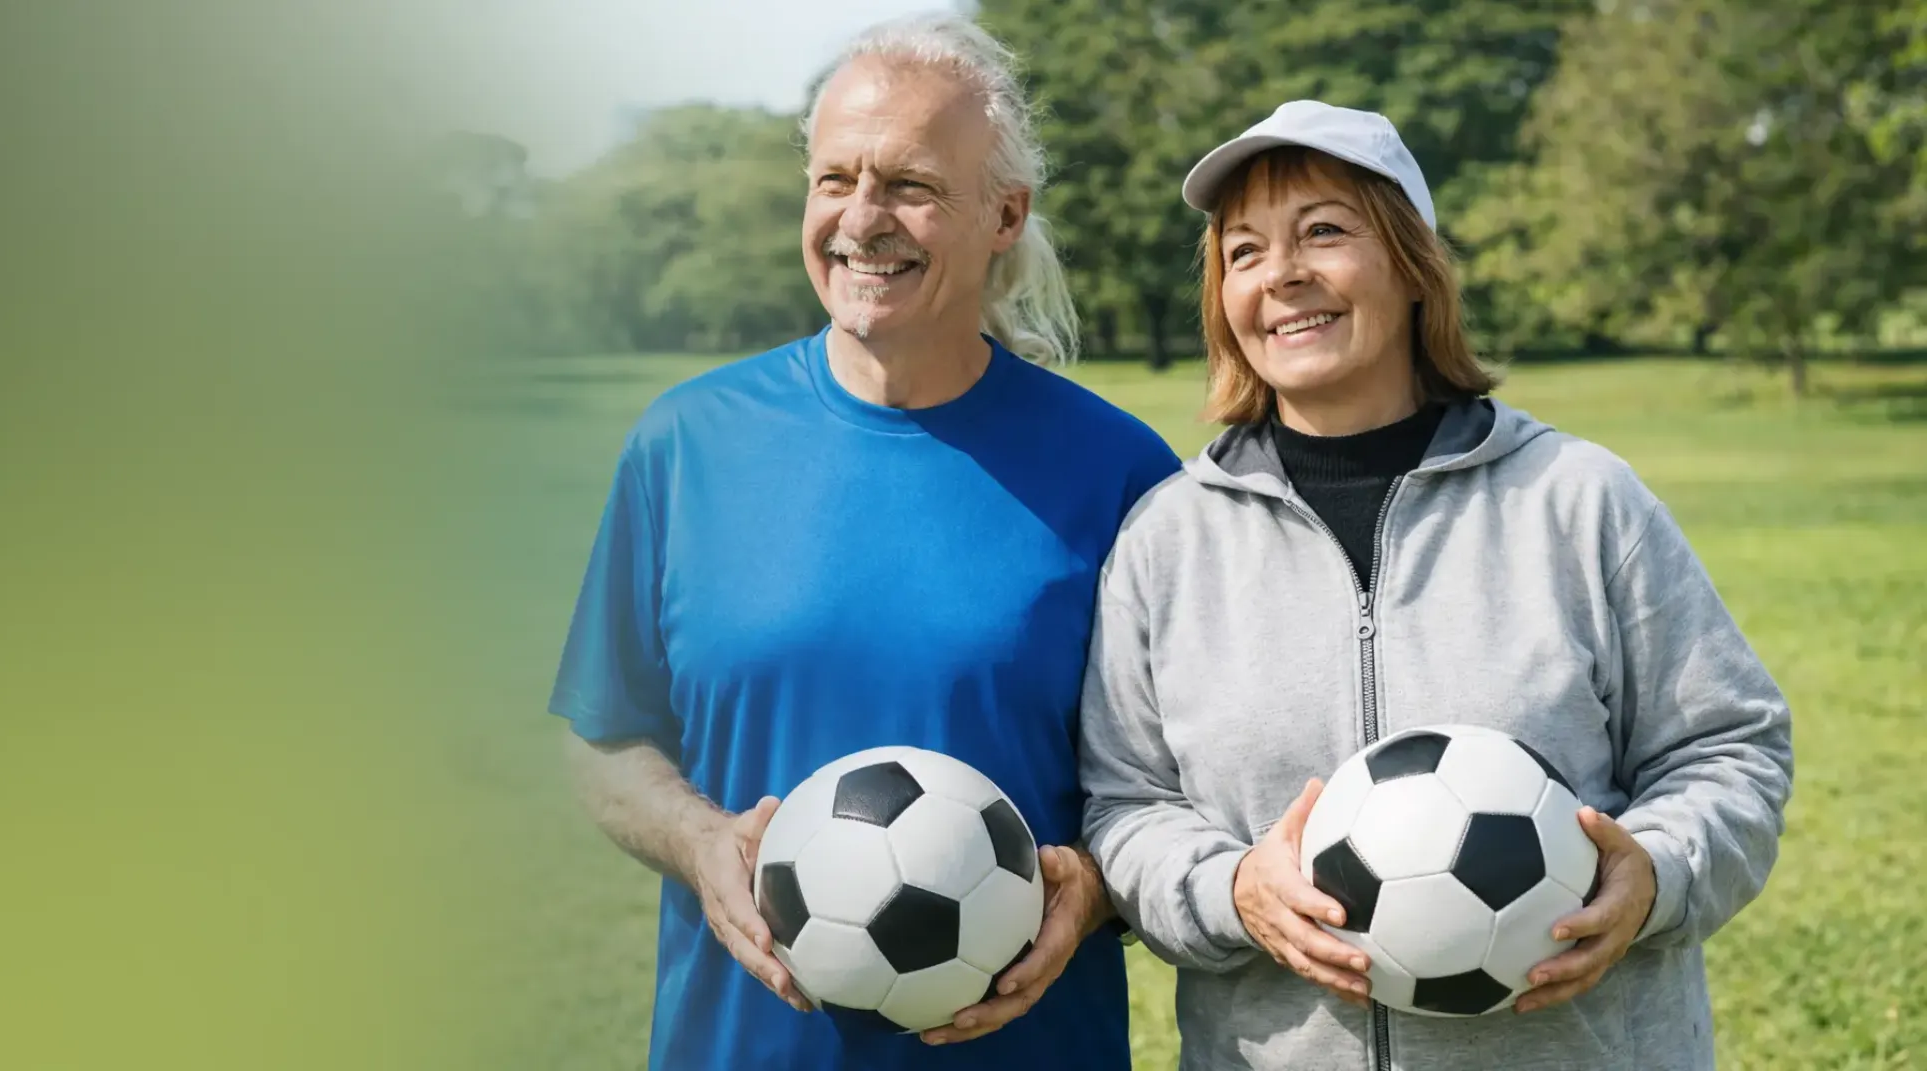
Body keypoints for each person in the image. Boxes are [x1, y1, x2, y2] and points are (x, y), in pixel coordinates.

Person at [1077, 100, 1795, 1069]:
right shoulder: (1168, 540)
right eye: (1243, 252)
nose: (1282, 274)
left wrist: (1657, 872)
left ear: (1413, 266)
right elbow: (1126, 803)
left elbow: (1729, 746)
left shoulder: (1577, 500)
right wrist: (1230, 889)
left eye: (1324, 231)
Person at [548, 14, 1180, 1069]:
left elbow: (1180, 796)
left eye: (912, 186)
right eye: (835, 178)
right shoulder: (685, 443)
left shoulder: (1120, 474)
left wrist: (1100, 889)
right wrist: (700, 841)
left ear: (1005, 216)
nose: (862, 218)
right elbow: (604, 739)